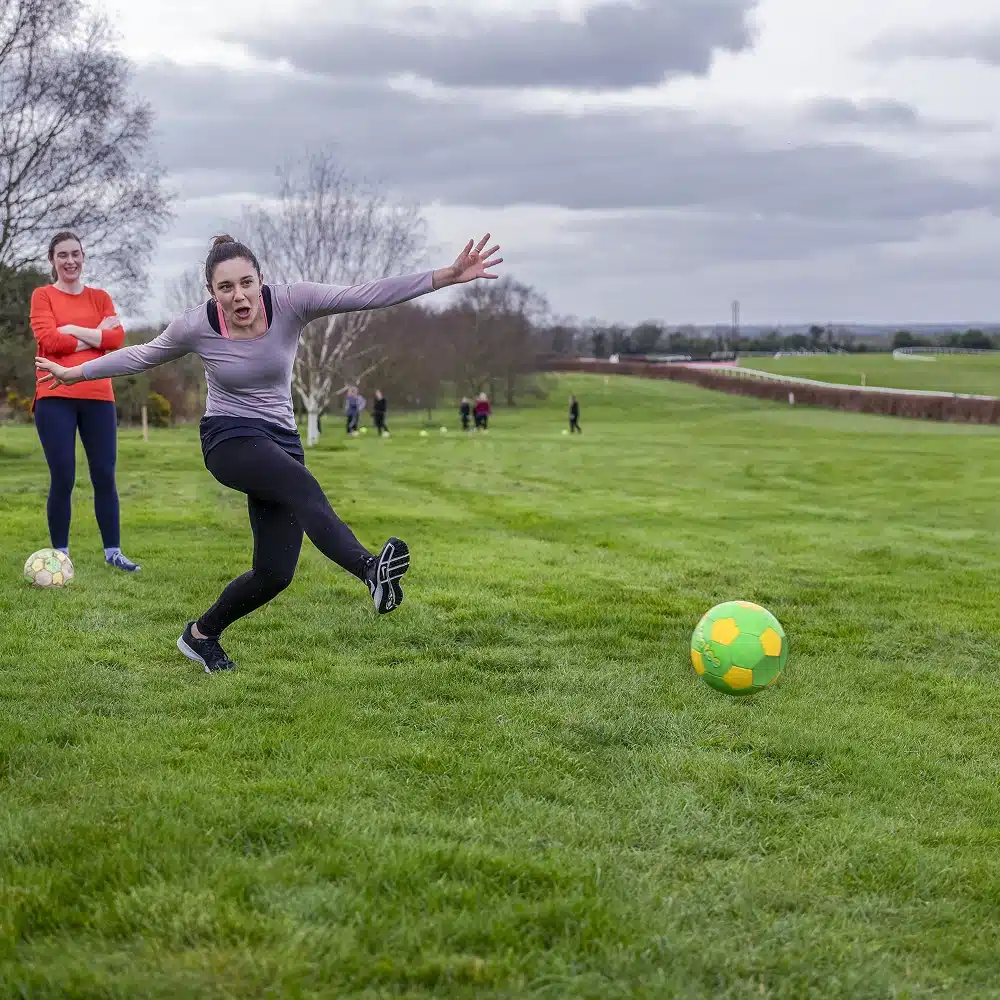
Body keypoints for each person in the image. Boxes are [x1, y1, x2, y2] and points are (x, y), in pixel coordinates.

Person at [36, 232, 503, 672]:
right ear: (211, 291)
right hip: (229, 438)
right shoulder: (198, 325)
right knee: (302, 486)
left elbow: (365, 293)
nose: (238, 296)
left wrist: (446, 275)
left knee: (274, 573)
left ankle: (200, 635)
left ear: (261, 279)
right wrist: (77, 374)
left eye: (246, 283)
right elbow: (142, 354)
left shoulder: (292, 302)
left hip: (280, 440)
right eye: (225, 288)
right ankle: (370, 571)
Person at [30, 231, 141, 573]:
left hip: (98, 396)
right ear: (52, 260)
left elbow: (116, 338)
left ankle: (113, 552)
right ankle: (59, 555)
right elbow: (48, 340)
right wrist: (95, 336)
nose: (70, 261)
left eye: (75, 254)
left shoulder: (100, 297)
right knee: (63, 476)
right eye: (62, 255)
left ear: (83, 256)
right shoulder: (42, 295)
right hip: (54, 396)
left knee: (104, 476)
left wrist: (72, 330)